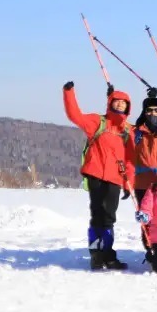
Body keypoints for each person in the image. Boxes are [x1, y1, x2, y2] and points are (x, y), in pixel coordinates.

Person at [63, 80, 136, 271]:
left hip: (115, 178)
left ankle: (108, 254)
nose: (120, 104)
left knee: (108, 217)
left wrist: (129, 182)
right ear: (110, 102)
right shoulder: (98, 122)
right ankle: (96, 255)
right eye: (116, 101)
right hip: (95, 175)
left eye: (123, 102)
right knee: (97, 215)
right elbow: (75, 115)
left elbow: (131, 159)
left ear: (128, 107)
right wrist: (69, 92)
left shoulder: (128, 130)